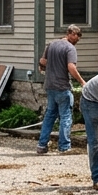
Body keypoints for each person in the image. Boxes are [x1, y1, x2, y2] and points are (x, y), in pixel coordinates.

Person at [37, 25, 86, 155]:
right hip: (62, 86)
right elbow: (71, 67)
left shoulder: (51, 44)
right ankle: (64, 147)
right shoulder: (70, 48)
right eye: (78, 37)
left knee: (49, 116)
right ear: (72, 34)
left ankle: (41, 145)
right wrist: (81, 81)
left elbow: (42, 61)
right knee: (65, 116)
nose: (78, 40)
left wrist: (43, 67)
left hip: (49, 85)